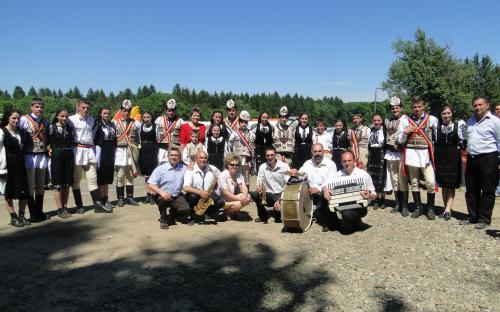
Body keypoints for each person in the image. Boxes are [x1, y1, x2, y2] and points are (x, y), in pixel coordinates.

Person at [461, 96, 500, 229]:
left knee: (488, 190)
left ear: (487, 105)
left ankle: (484, 218)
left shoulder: (495, 121)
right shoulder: (470, 121)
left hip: (488, 158)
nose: (477, 107)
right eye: (475, 105)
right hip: (472, 158)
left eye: (480, 105)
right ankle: (472, 216)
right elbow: (467, 138)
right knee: (471, 189)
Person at [400, 97, 438, 220]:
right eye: (414, 107)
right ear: (412, 108)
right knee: (414, 182)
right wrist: (406, 132)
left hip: (426, 154)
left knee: (431, 182)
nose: (417, 109)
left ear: (423, 107)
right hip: (411, 153)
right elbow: (400, 140)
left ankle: (430, 208)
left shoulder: (431, 119)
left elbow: (436, 138)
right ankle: (418, 207)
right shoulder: (406, 121)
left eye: (419, 106)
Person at [70, 98, 110, 213]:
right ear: (78, 107)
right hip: (77, 150)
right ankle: (79, 205)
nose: (86, 109)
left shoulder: (92, 120)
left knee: (93, 179)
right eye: (83, 107)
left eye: (88, 108)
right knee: (76, 180)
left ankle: (97, 205)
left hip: (89, 150)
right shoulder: (71, 119)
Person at [321, 150, 376, 232]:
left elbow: (374, 194)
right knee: (323, 197)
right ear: (341, 162)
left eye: (349, 160)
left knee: (347, 217)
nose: (347, 163)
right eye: (344, 161)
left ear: (354, 161)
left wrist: (369, 195)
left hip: (359, 206)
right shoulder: (338, 174)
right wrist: (325, 190)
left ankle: (358, 224)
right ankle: (335, 224)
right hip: (343, 205)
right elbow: (324, 185)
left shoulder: (363, 174)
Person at [19, 97, 50, 222]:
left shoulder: (44, 120)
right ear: (31, 107)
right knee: (30, 185)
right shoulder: (24, 120)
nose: (39, 109)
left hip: (42, 155)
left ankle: (39, 211)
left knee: (41, 185)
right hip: (29, 156)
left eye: (41, 107)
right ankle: (32, 213)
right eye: (37, 107)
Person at [296, 143, 337, 231]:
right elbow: (301, 175)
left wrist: (318, 189)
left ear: (323, 152)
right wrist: (297, 173)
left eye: (319, 151)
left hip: (324, 193)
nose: (317, 153)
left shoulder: (331, 164)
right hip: (310, 194)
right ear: (311, 152)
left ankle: (328, 222)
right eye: (315, 151)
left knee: (321, 210)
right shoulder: (307, 163)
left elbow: (331, 181)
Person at [0, 109, 31, 227]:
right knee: (8, 192)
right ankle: (13, 217)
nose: (16, 120)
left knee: (24, 191)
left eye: (18, 118)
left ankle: (22, 215)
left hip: (20, 163)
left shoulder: (21, 132)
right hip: (8, 165)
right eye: (13, 118)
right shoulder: (2, 132)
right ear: (8, 118)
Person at [148, 148, 191, 230]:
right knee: (163, 201)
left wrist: (191, 165)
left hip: (176, 195)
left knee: (186, 210)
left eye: (176, 155)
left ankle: (172, 215)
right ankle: (163, 220)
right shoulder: (160, 169)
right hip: (162, 195)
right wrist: (161, 192)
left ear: (179, 158)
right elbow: (151, 184)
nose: (173, 157)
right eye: (171, 155)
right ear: (168, 157)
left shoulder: (183, 168)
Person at [434, 106, 465, 221]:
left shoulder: (458, 125)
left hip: (453, 157)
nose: (446, 115)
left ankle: (448, 209)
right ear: (441, 115)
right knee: (443, 185)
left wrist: (460, 145)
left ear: (452, 114)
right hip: (440, 157)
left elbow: (463, 142)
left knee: (451, 185)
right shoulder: (437, 127)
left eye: (448, 113)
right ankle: (445, 208)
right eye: (444, 113)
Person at [384, 96, 410, 216]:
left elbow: (407, 135)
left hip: (401, 153)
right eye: (393, 108)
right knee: (394, 179)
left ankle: (405, 206)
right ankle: (398, 203)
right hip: (390, 153)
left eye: (397, 108)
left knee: (402, 179)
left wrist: (401, 145)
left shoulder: (405, 119)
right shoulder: (387, 120)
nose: (395, 110)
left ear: (401, 108)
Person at [183, 151, 224, 223]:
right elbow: (185, 187)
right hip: (196, 194)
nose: (203, 160)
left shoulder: (212, 168)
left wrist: (217, 183)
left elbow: (222, 177)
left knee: (221, 202)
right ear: (196, 159)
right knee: (192, 197)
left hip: (208, 194)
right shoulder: (191, 169)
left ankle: (208, 213)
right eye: (201, 158)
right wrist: (200, 192)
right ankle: (193, 215)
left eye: (205, 158)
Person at [113, 100, 141, 207]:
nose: (126, 112)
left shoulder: (136, 123)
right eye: (124, 110)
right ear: (121, 111)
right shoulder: (115, 123)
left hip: (131, 151)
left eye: (128, 110)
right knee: (120, 176)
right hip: (119, 151)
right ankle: (120, 198)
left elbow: (139, 138)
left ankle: (130, 197)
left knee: (130, 176)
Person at [250, 147, 289, 224]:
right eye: (268, 155)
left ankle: (278, 212)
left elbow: (288, 185)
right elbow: (259, 182)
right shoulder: (262, 167)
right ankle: (263, 216)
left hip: (281, 195)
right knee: (255, 194)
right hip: (268, 195)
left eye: (272, 155)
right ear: (265, 157)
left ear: (276, 155)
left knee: (278, 219)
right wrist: (259, 188)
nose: (270, 157)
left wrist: (280, 199)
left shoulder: (284, 166)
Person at [48, 108, 74, 218]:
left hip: (68, 156)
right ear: (57, 116)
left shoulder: (70, 128)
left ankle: (65, 206)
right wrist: (48, 149)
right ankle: (59, 208)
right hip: (57, 157)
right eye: (62, 116)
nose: (64, 118)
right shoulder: (51, 127)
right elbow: (46, 141)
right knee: (58, 185)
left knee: (67, 185)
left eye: (66, 116)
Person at [94, 107, 116, 210]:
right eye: (104, 113)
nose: (106, 115)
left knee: (107, 178)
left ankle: (106, 199)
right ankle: (101, 200)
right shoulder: (97, 124)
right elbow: (94, 139)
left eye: (108, 113)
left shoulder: (111, 125)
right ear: (100, 114)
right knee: (101, 177)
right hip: (101, 151)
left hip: (110, 152)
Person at [218, 153, 251, 221]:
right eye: (232, 164)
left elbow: (244, 187)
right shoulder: (223, 176)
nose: (234, 166)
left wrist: (244, 196)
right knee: (243, 201)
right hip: (224, 200)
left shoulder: (239, 175)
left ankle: (235, 212)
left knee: (248, 196)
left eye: (236, 165)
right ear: (227, 165)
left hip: (234, 198)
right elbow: (226, 193)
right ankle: (227, 211)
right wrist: (240, 199)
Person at [226, 111, 254, 188]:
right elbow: (230, 145)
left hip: (247, 159)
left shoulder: (251, 133)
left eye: (246, 122)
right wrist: (232, 156)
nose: (244, 124)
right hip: (237, 158)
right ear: (239, 122)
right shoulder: (235, 133)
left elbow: (253, 147)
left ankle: (247, 192)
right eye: (242, 122)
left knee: (246, 177)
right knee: (236, 176)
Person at [367, 113, 386, 209]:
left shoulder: (385, 130)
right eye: (375, 120)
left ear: (382, 121)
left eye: (378, 120)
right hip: (372, 155)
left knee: (381, 179)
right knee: (373, 179)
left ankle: (382, 199)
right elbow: (369, 144)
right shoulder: (370, 130)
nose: (376, 122)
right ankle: (375, 199)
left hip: (381, 154)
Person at [155, 98, 183, 164]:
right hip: (162, 149)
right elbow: (155, 135)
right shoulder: (159, 120)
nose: (171, 112)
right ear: (166, 110)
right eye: (169, 110)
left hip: (175, 149)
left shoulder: (181, 121)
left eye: (173, 111)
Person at [139, 111, 159, 204]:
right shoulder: (140, 127)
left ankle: (153, 195)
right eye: (145, 117)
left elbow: (159, 139)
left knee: (153, 174)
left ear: (151, 118)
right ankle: (148, 195)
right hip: (143, 151)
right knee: (147, 175)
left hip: (153, 151)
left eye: (148, 117)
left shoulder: (156, 127)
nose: (146, 119)